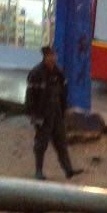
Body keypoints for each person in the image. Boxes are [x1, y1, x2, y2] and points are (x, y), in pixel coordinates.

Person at [25, 46, 83, 181]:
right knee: (41, 143)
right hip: (42, 115)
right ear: (45, 57)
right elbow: (30, 97)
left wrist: (63, 111)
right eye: (50, 56)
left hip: (56, 114)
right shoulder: (36, 73)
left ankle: (68, 170)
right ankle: (38, 170)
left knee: (61, 142)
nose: (53, 58)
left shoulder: (58, 72)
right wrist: (33, 115)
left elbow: (64, 92)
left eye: (54, 55)